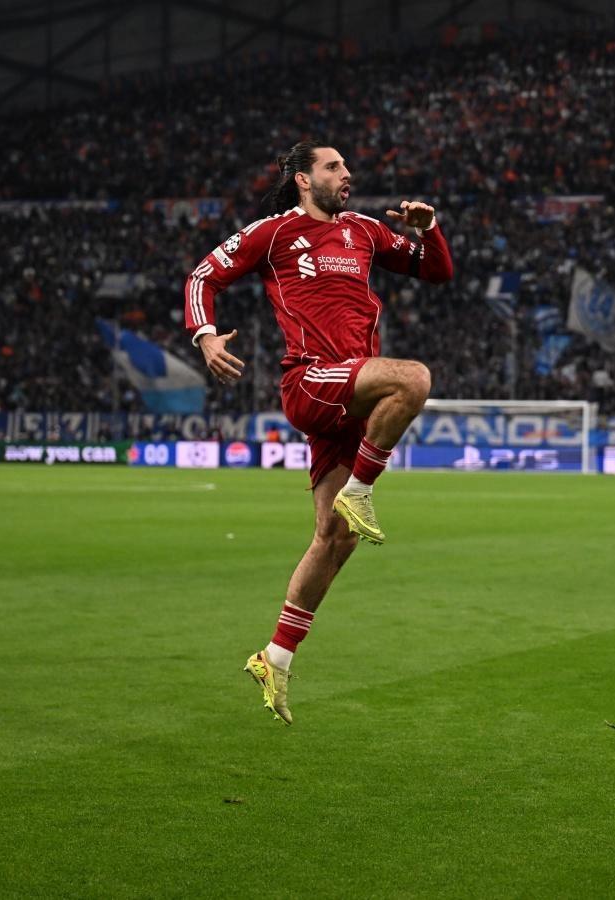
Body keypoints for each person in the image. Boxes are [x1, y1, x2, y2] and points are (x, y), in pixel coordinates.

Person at [184, 140, 453, 724]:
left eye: (346, 166)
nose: (346, 173)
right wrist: (205, 335)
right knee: (413, 379)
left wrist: (429, 231)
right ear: (303, 179)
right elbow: (203, 275)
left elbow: (438, 271)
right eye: (334, 166)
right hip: (310, 381)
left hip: (351, 395)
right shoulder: (275, 233)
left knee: (336, 538)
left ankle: (275, 657)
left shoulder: (365, 231)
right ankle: (362, 490)